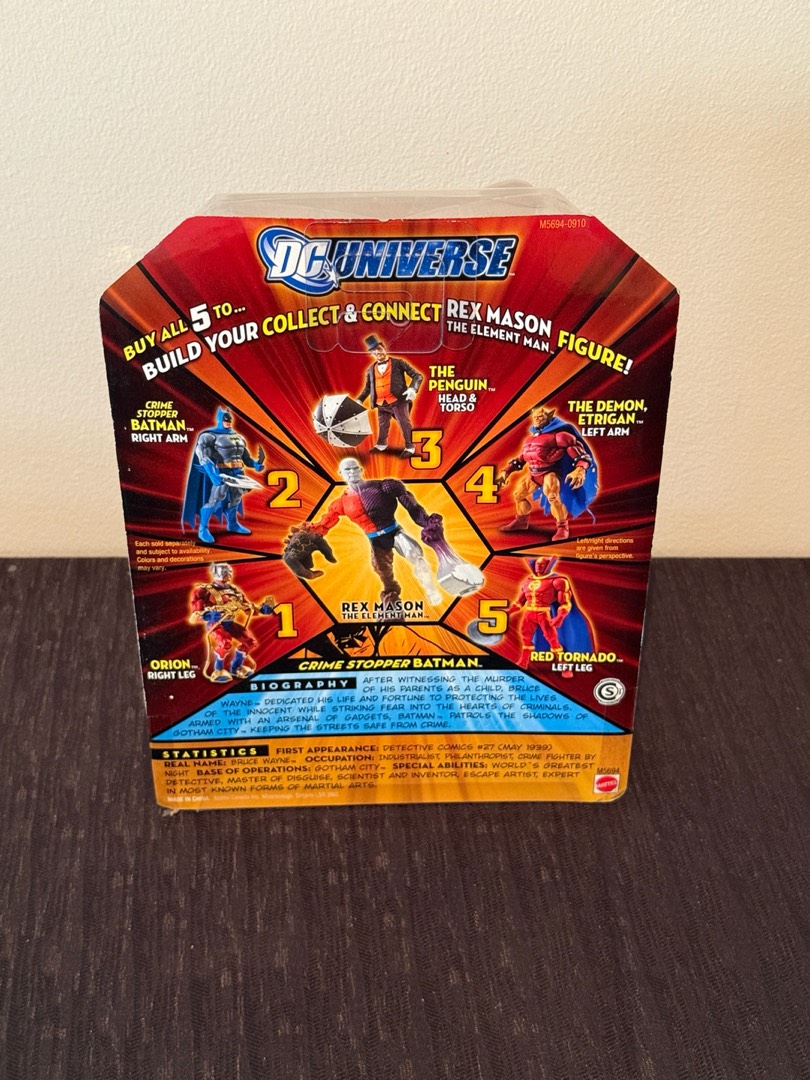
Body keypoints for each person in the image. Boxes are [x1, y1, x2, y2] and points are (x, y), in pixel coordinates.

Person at [299, 457, 442, 606]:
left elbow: (412, 505)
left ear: (361, 470)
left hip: (394, 531)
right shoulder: (341, 503)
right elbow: (325, 523)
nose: (352, 472)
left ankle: (431, 590)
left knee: (415, 555)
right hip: (375, 540)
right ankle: (392, 599)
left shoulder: (383, 487)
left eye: (355, 468)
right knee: (383, 573)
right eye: (347, 469)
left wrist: (426, 522)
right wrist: (307, 537)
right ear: (341, 473)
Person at [496, 404, 597, 540]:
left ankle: (562, 527)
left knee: (553, 497)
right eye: (535, 417)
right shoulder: (529, 440)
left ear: (549, 417)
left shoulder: (560, 436)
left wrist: (580, 469)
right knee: (518, 495)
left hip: (550, 472)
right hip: (533, 474)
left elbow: (581, 455)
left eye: (541, 416)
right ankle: (521, 521)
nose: (537, 418)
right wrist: (506, 471)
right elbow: (521, 459)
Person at [182, 407, 265, 544]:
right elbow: (203, 457)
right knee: (215, 500)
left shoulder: (239, 437)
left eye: (229, 419)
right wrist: (212, 474)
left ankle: (232, 524)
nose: (228, 421)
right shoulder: (210, 436)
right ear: (220, 419)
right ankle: (203, 529)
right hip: (222, 472)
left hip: (238, 472)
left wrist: (256, 465)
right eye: (225, 419)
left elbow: (246, 459)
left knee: (236, 498)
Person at [189, 562, 276, 682]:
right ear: (216, 572)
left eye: (229, 571)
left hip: (230, 622)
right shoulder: (202, 591)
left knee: (250, 642)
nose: (227, 574)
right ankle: (218, 670)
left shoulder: (235, 590)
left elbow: (249, 609)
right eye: (224, 571)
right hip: (216, 624)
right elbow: (194, 617)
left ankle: (236, 667)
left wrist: (264, 609)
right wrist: (209, 615)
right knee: (225, 643)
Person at [510, 557, 594, 674]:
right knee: (526, 638)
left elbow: (565, 603)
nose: (538, 566)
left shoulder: (557, 581)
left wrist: (559, 617)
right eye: (537, 564)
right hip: (529, 614)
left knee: (552, 640)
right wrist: (508, 612)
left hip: (543, 613)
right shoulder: (527, 581)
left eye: (542, 564)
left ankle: (564, 667)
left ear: (548, 565)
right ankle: (523, 662)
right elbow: (519, 602)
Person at [358, 335, 423, 457]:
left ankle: (410, 447)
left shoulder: (399, 363)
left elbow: (417, 376)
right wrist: (360, 399)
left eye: (379, 348)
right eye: (374, 351)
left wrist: (412, 388)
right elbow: (367, 388)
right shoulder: (370, 370)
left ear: (384, 347)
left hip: (398, 401)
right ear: (371, 353)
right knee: (382, 424)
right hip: (380, 403)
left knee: (404, 423)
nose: (377, 352)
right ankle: (381, 444)